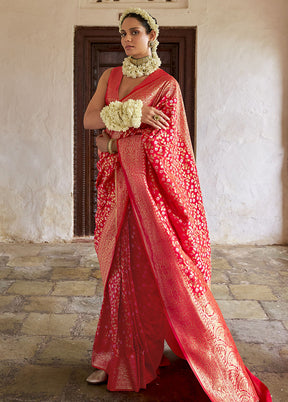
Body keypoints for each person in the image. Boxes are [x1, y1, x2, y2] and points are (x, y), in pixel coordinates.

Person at [83, 7, 272, 401]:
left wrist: (115, 139)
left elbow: (167, 148)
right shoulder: (110, 76)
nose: (127, 39)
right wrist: (133, 114)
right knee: (117, 273)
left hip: (151, 197)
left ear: (153, 36)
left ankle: (142, 356)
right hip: (117, 192)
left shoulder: (166, 86)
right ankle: (114, 357)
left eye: (135, 32)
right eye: (122, 34)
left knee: (149, 274)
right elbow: (88, 120)